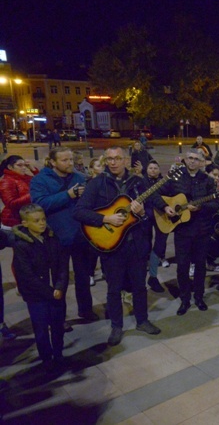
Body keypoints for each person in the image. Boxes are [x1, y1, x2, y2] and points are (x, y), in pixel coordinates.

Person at [74, 146, 162, 346]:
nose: (113, 162)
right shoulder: (97, 184)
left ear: (125, 161)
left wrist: (140, 214)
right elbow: (79, 212)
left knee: (140, 287)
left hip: (137, 246)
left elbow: (149, 214)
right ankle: (116, 326)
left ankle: (142, 320)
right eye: (110, 159)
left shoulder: (139, 183)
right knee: (113, 289)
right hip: (111, 247)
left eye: (117, 158)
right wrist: (105, 218)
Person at [30, 147, 99, 321]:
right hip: (56, 237)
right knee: (59, 281)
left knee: (83, 277)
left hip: (80, 235)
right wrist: (68, 195)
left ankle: (85, 310)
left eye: (71, 160)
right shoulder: (40, 180)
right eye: (65, 160)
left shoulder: (78, 177)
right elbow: (39, 204)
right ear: (53, 162)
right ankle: (59, 318)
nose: (70, 163)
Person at [158, 149, 219, 315]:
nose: (192, 161)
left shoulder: (208, 180)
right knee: (182, 267)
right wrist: (165, 207)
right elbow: (155, 194)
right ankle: (185, 299)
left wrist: (201, 206)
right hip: (182, 230)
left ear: (201, 162)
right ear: (185, 160)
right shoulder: (175, 177)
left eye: (196, 159)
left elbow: (216, 204)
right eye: (190, 158)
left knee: (200, 266)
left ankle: (199, 297)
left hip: (202, 230)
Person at [13, 204, 68, 367]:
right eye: (36, 221)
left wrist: (60, 286)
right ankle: (47, 359)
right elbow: (27, 276)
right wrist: (51, 292)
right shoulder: (22, 245)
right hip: (37, 297)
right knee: (42, 330)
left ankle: (58, 354)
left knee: (58, 327)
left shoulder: (52, 237)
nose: (42, 223)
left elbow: (63, 265)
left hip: (57, 292)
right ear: (25, 224)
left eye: (43, 219)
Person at [142, 160, 168, 293]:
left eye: (155, 168)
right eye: (150, 168)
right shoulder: (141, 182)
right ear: (146, 170)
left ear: (159, 170)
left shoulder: (165, 181)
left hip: (161, 216)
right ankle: (141, 280)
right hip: (146, 218)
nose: (152, 170)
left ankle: (153, 277)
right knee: (144, 246)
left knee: (159, 246)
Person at [0, 155, 39, 229]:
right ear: (10, 167)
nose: (24, 168)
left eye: (25, 165)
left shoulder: (24, 178)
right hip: (13, 221)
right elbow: (11, 203)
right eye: (20, 165)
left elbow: (40, 182)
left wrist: (33, 169)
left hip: (26, 218)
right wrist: (32, 195)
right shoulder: (6, 181)